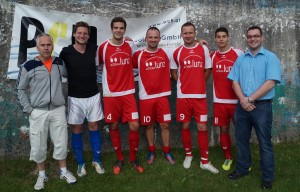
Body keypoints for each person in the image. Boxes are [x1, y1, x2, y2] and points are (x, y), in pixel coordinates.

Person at [16, 33, 77, 190]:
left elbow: (70, 75)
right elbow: (20, 89)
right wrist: (29, 110)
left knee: (61, 142)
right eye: (42, 45)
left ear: (52, 46)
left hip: (57, 110)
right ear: (37, 47)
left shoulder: (58, 63)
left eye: (48, 45)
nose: (46, 48)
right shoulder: (28, 66)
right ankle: (42, 174)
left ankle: (63, 171)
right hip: (38, 112)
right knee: (38, 145)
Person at [227, 25, 281, 190]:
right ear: (246, 38)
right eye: (249, 36)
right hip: (242, 106)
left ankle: (267, 177)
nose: (253, 39)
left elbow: (271, 82)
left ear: (262, 37)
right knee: (241, 140)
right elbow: (234, 80)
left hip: (262, 107)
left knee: (264, 143)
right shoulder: (241, 58)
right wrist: (243, 100)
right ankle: (243, 168)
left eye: (256, 36)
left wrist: (249, 99)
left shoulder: (270, 58)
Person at [170, 22, 219, 174]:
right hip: (183, 97)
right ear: (181, 34)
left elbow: (208, 68)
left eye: (191, 32)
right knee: (184, 125)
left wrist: (199, 82)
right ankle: (188, 155)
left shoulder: (203, 49)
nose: (188, 35)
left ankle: (205, 161)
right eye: (185, 33)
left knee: (202, 127)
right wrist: (182, 83)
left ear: (195, 33)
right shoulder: (177, 52)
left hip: (199, 97)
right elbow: (173, 72)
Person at [97, 17, 143, 174]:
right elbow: (96, 64)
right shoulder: (103, 47)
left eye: (121, 28)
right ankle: (119, 158)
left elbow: (140, 58)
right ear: (111, 29)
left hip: (128, 92)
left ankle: (132, 158)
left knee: (135, 125)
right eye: (116, 27)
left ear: (125, 30)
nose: (118, 30)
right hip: (110, 94)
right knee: (114, 125)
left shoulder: (130, 44)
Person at [59, 21, 105, 177]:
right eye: (79, 33)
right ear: (74, 34)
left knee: (94, 126)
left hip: (93, 95)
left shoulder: (94, 49)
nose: (82, 35)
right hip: (75, 97)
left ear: (88, 36)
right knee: (77, 129)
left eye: (85, 33)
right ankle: (80, 164)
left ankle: (96, 160)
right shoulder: (65, 52)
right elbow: (60, 71)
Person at [132, 27, 176, 165]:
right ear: (145, 38)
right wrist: (127, 42)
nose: (153, 40)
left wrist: (199, 41)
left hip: (162, 96)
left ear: (159, 38)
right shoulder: (138, 55)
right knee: (149, 125)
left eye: (155, 37)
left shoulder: (167, 52)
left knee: (164, 125)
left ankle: (167, 151)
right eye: (150, 37)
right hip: (146, 97)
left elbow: (186, 46)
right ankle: (152, 150)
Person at [210, 27, 244, 171]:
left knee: (241, 131)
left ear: (228, 37)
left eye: (224, 36)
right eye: (218, 36)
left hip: (237, 101)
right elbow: (196, 46)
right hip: (220, 101)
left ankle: (243, 158)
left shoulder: (239, 53)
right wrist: (200, 41)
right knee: (223, 129)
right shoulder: (211, 56)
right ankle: (228, 157)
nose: (221, 39)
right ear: (215, 39)